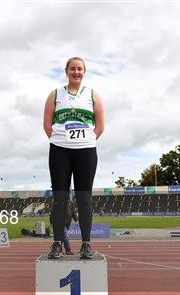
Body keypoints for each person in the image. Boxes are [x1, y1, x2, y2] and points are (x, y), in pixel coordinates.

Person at [43, 57, 105, 259]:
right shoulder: (55, 94)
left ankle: (86, 244)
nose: (76, 72)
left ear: (84, 72)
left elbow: (100, 126)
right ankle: (57, 244)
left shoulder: (93, 94)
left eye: (79, 69)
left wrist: (86, 140)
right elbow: (47, 124)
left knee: (84, 199)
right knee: (60, 199)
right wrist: (60, 140)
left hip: (85, 150)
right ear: (66, 71)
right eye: (72, 69)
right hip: (60, 150)